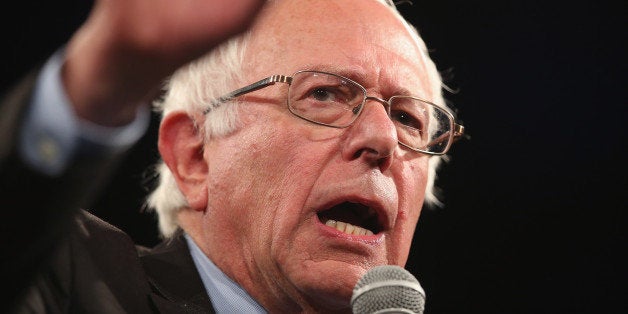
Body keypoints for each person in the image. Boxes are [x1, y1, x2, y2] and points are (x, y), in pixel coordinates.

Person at [1, 0, 464, 312]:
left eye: (407, 119)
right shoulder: (68, 278)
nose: (383, 139)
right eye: (324, 94)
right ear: (194, 157)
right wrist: (103, 74)